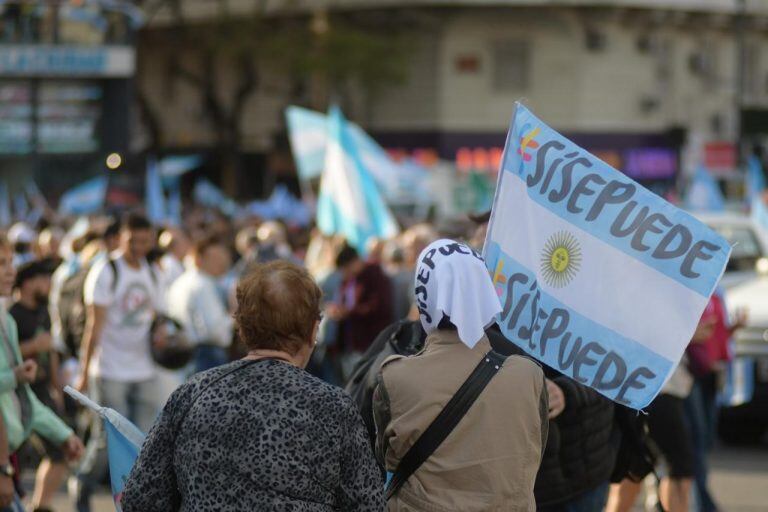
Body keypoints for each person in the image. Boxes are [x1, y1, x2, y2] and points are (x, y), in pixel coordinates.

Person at [122, 261, 384, 511]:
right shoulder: (333, 407)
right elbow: (368, 504)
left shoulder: (191, 394)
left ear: (242, 328)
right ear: (314, 330)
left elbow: (140, 497)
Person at [373, 239, 548, 511]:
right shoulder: (529, 375)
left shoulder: (396, 378)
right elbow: (535, 451)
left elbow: (385, 458)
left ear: (423, 295)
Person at [73, 213, 165, 512]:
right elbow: (93, 326)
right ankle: (83, 484)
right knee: (106, 441)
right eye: (133, 240)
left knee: (145, 441)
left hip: (144, 368)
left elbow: (156, 318)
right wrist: (85, 372)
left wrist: (163, 336)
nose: (139, 246)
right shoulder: (107, 270)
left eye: (145, 240)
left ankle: (133, 501)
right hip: (110, 368)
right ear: (120, 238)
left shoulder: (153, 272)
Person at [0, 237, 83, 512]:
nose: (10, 270)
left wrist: (63, 434)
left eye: (11, 262)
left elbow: (21, 397)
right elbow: (14, 383)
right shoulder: (14, 315)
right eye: (2, 264)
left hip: (11, 442)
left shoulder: (6, 320)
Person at [9, 261, 71, 512]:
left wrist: (57, 388)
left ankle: (40, 505)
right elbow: (8, 357)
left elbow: (51, 352)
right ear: (27, 283)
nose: (48, 285)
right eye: (43, 279)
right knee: (17, 455)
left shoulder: (44, 312)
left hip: (43, 392)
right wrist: (34, 345)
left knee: (59, 450)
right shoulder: (12, 315)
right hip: (19, 393)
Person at [167, 236, 233, 374]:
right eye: (215, 258)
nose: (221, 263)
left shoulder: (181, 282)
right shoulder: (202, 284)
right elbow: (215, 331)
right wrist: (234, 316)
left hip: (187, 356)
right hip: (206, 356)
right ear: (199, 258)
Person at [327, 245, 393, 379]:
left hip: (370, 342)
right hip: (351, 343)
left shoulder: (375, 276)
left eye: (346, 268)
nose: (345, 272)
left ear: (355, 262)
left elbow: (377, 306)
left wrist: (348, 312)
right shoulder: (349, 279)